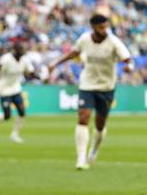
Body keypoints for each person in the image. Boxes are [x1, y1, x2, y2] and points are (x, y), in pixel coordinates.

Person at [48, 14, 133, 170]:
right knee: (83, 117)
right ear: (93, 27)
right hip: (87, 84)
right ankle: (81, 159)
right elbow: (74, 52)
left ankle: (94, 150)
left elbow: (128, 60)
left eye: (106, 26)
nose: (105, 30)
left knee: (100, 125)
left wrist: (129, 67)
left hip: (106, 87)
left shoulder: (114, 41)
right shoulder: (85, 39)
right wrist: (55, 63)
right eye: (101, 27)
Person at [0, 39, 37, 143]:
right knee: (7, 116)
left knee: (22, 112)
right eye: (21, 49)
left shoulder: (24, 59)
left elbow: (29, 72)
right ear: (15, 50)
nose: (23, 51)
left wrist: (38, 76)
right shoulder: (6, 59)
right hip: (4, 89)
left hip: (15, 87)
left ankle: (14, 134)